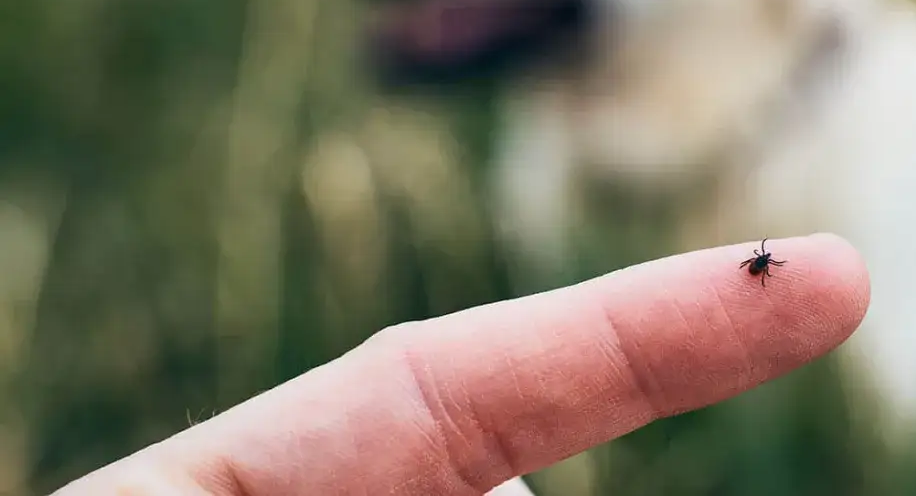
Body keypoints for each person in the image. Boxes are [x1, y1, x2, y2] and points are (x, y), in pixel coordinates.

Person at [53, 235, 869, 495]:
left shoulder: (757, 271)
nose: (759, 266)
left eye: (760, 264)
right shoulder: (760, 270)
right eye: (760, 264)